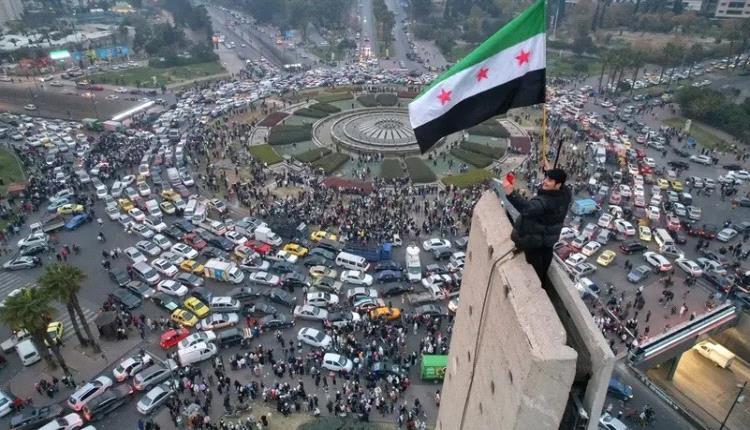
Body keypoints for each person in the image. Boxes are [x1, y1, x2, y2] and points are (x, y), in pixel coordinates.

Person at [502, 168, 572, 285]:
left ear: (558, 184)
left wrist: (511, 193)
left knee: (535, 275)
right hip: (547, 242)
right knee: (544, 268)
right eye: (546, 178)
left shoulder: (544, 202)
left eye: (550, 180)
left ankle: (537, 287)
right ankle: (542, 283)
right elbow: (562, 185)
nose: (545, 181)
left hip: (534, 243)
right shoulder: (565, 194)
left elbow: (527, 209)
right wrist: (550, 170)